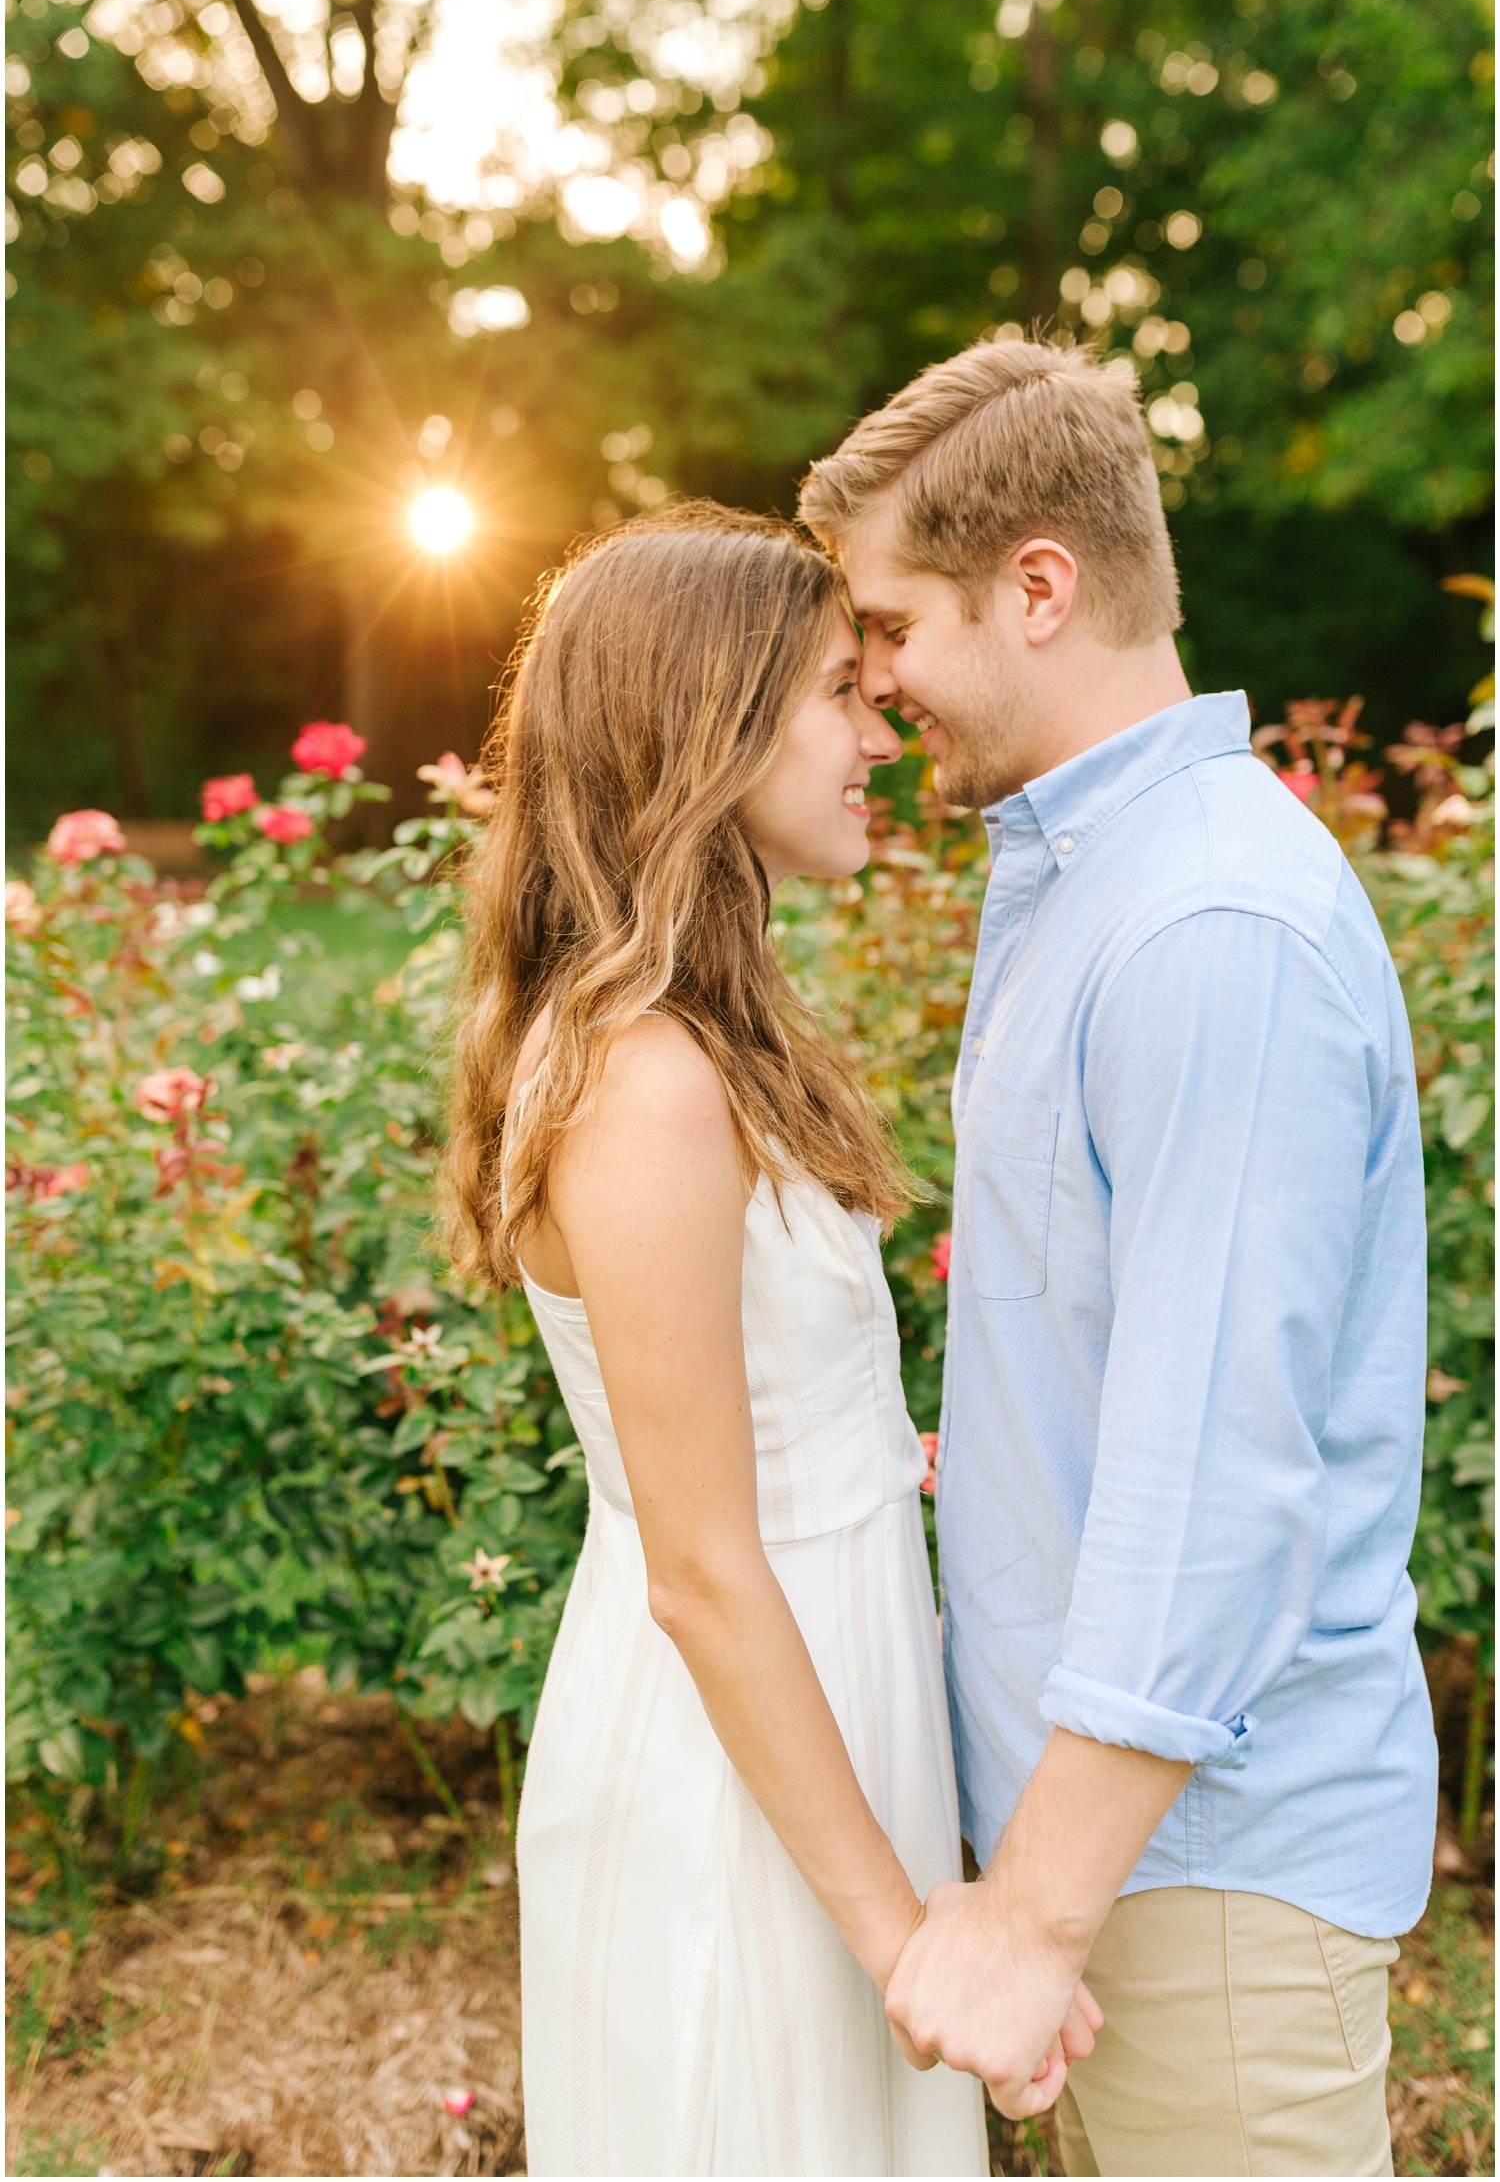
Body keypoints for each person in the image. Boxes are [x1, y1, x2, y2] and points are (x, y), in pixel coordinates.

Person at [799, 335, 1439, 2178]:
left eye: (892, 624)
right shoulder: (1091, 885)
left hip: (1194, 1891)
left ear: (1040, 586)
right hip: (1098, 1874)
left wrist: (1035, 1915)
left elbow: (1210, 1477)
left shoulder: (1207, 924)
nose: (872, 677)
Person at [443, 506, 1025, 2176]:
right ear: (707, 724)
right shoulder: (643, 1080)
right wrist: (904, 1936)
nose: (876, 733)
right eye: (841, 690)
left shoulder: (700, 1034)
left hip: (826, 1690)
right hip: (732, 1766)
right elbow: (700, 1562)